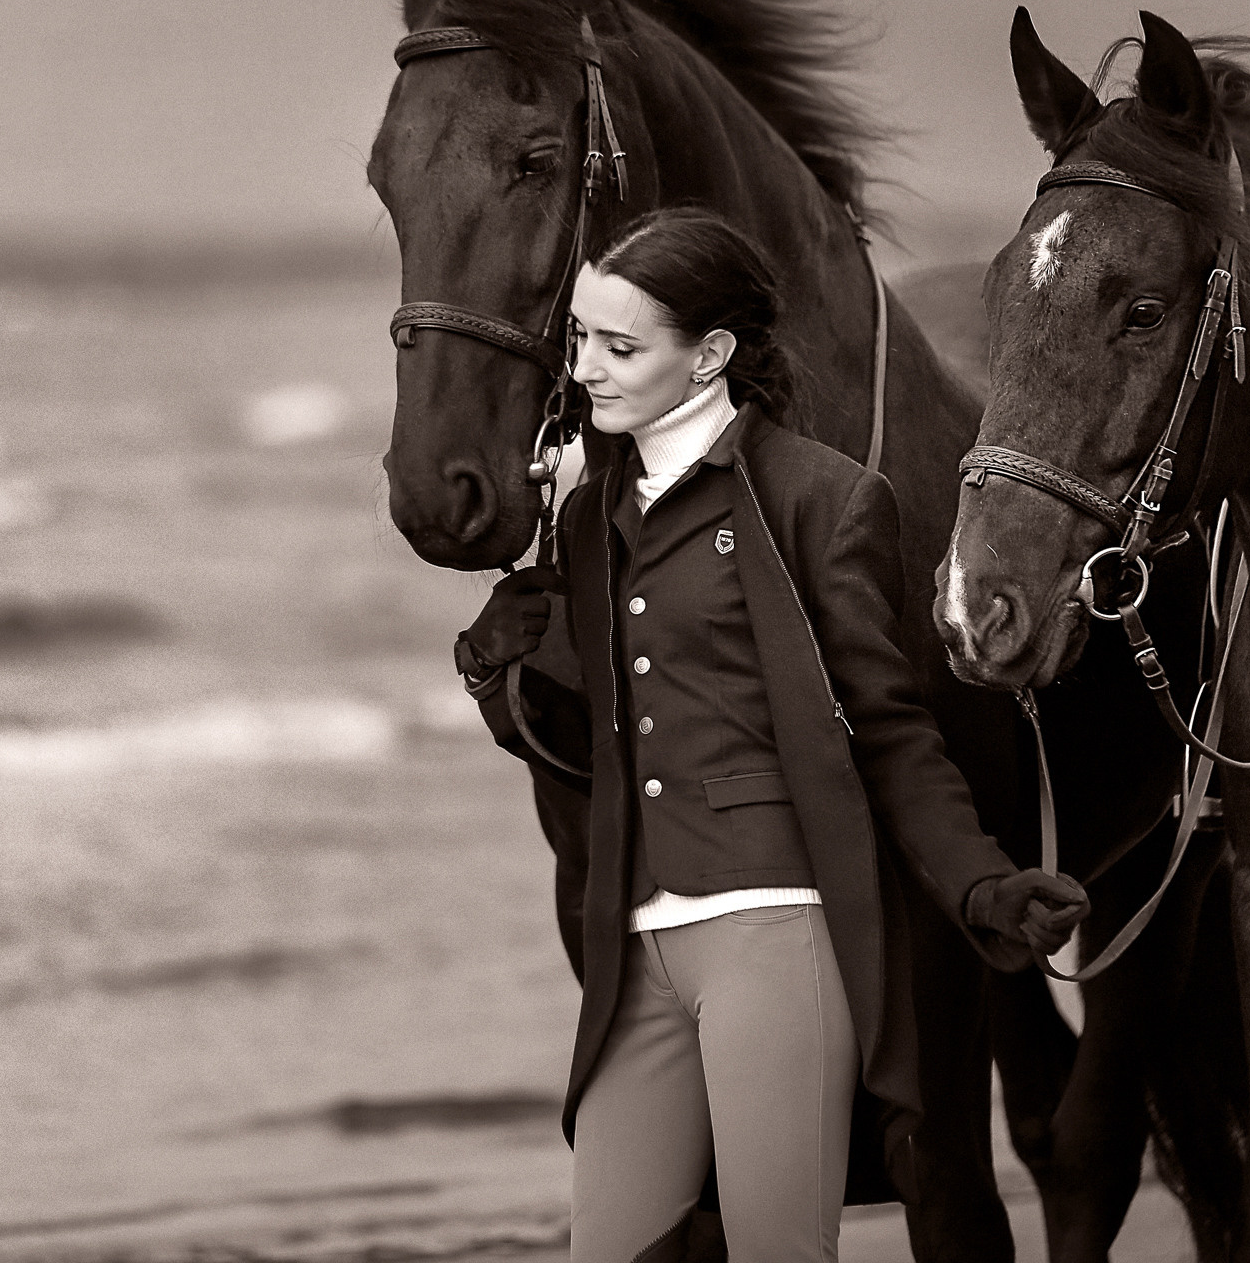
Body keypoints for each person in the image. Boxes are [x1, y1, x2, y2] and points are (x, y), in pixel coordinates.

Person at [454, 208, 1087, 1263]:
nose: (589, 371)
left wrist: (980, 883)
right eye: (581, 342)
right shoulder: (588, 521)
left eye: (621, 346)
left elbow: (885, 731)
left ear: (709, 357)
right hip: (637, 950)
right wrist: (491, 670)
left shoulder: (824, 501)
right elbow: (614, 748)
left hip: (769, 942)